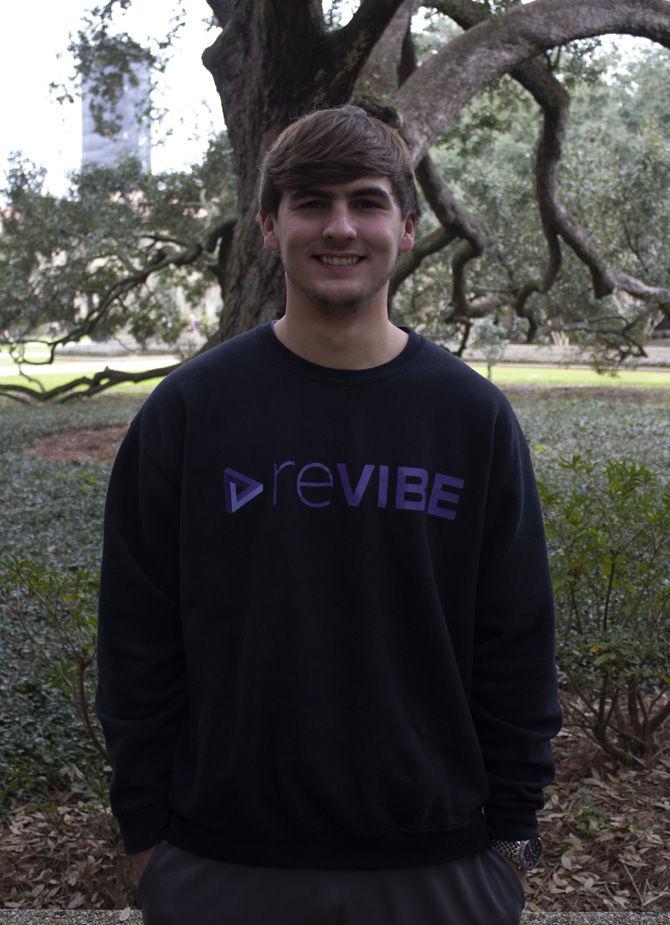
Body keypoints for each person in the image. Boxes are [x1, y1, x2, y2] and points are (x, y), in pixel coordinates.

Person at [96, 105, 562, 925]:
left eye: (366, 201)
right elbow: (137, 639)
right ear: (270, 228)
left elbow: (515, 636)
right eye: (311, 201)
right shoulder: (190, 413)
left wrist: (513, 835)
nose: (339, 226)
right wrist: (147, 838)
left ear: (408, 228)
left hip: (440, 865)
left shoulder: (470, 418)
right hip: (221, 864)